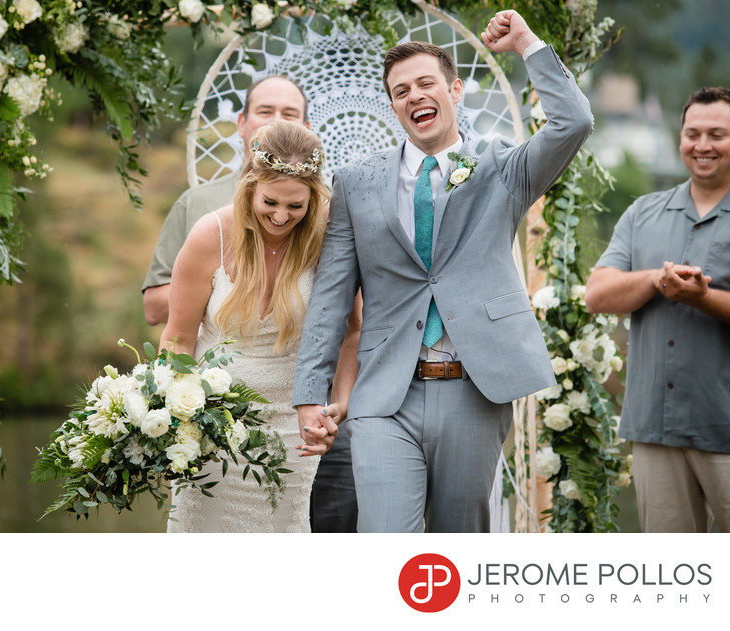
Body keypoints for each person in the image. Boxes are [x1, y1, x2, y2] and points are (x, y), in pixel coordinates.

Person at [292, 10, 593, 533]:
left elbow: (574, 123)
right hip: (385, 393)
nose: (414, 96)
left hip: (475, 388)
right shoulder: (356, 182)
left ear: (454, 90)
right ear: (392, 106)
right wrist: (308, 395)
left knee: (460, 545)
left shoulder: (503, 168)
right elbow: (331, 298)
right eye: (401, 90)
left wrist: (527, 44)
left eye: (426, 83)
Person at [160, 120, 360, 532]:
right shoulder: (210, 235)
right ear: (250, 183)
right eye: (270, 202)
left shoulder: (328, 239)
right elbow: (177, 338)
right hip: (211, 430)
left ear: (314, 198)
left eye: (296, 206)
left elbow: (353, 329)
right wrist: (182, 413)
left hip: (292, 431)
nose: (282, 216)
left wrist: (339, 403)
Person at [584, 86, 730, 533]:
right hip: (655, 428)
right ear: (679, 138)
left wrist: (703, 298)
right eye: (693, 133)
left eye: (717, 134)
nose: (702, 145)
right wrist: (652, 279)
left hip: (723, 425)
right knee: (671, 577)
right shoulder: (642, 213)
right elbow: (597, 295)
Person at [142, 75, 310, 326]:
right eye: (265, 111)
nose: (276, 122)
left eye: (289, 114)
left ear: (306, 127)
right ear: (241, 123)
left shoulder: (328, 208)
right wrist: (219, 289)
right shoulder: (195, 202)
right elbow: (153, 309)